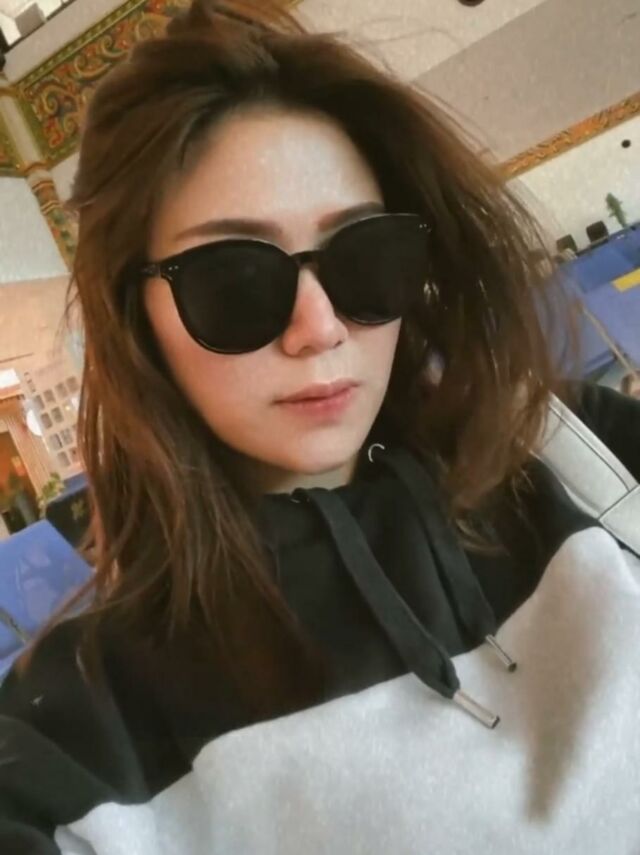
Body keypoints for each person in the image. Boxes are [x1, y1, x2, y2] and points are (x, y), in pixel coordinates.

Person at [1, 1, 639, 852]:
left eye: (364, 258)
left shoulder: (577, 455)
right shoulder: (87, 723)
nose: (321, 327)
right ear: (135, 317)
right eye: (235, 279)